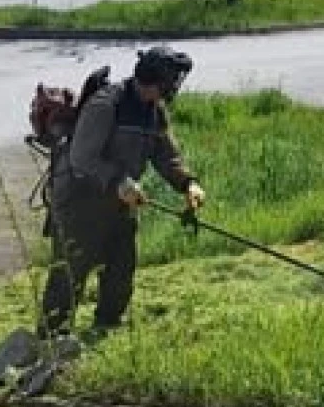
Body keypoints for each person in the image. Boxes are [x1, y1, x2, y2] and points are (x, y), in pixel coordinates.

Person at [40, 46, 205, 336]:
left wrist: (187, 183)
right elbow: (81, 157)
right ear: (156, 79)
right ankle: (51, 338)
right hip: (80, 201)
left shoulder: (154, 111)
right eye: (172, 81)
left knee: (121, 268)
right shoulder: (106, 104)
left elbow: (166, 152)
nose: (175, 87)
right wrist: (118, 180)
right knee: (70, 272)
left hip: (121, 203)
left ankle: (106, 327)